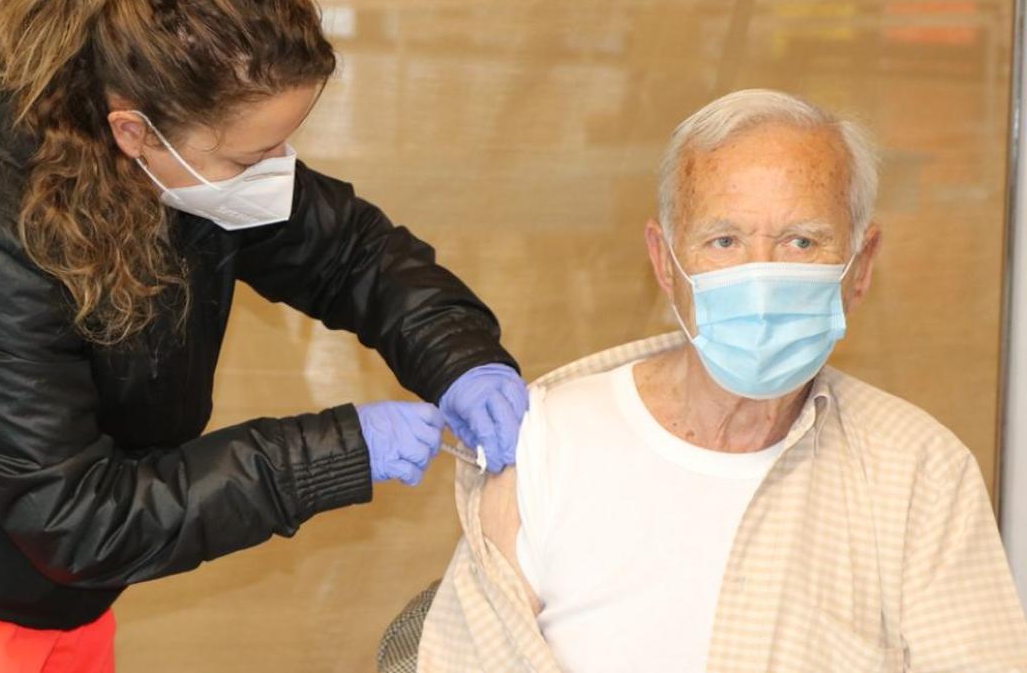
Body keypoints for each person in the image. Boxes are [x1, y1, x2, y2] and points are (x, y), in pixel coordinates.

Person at [0, 0, 527, 671]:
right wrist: (336, 451)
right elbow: (77, 518)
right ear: (135, 131)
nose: (279, 168)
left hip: (59, 588)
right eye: (255, 153)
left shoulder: (180, 165)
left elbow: (350, 253)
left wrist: (465, 358)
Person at [412, 90, 1027, 673]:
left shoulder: (918, 471)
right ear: (665, 260)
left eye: (801, 241)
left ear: (859, 266)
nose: (761, 276)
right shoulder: (549, 442)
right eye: (725, 240)